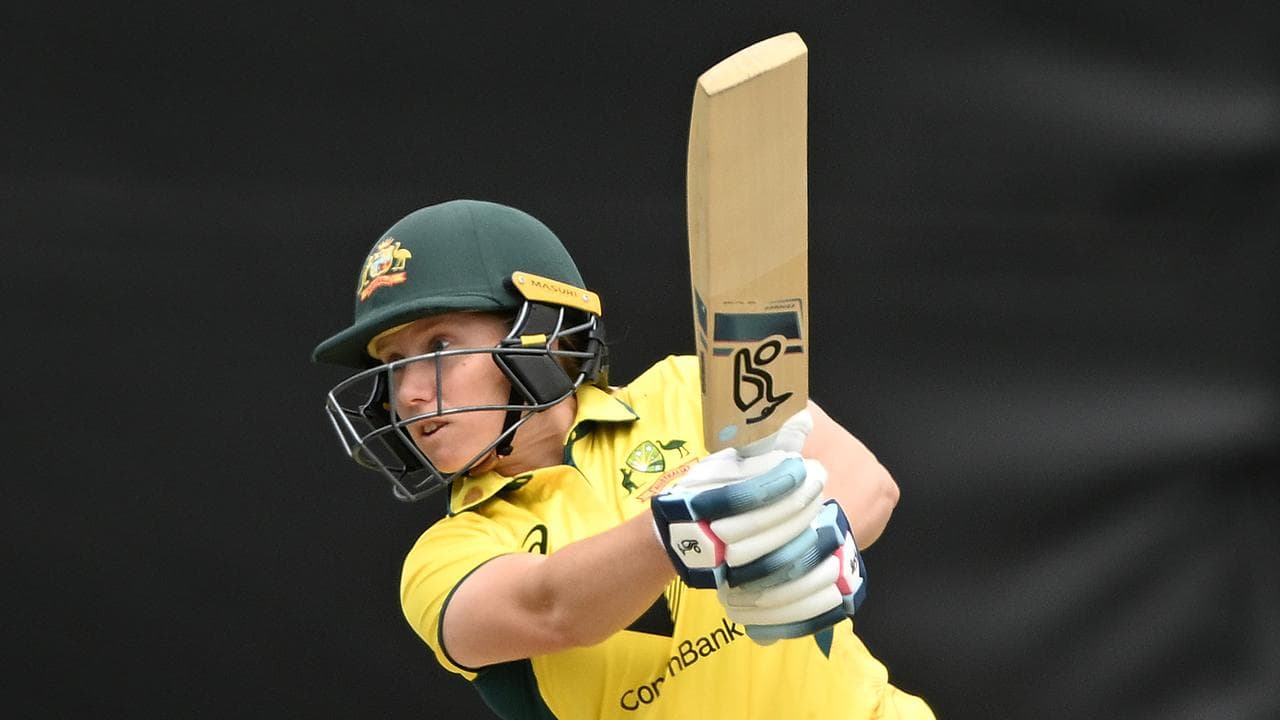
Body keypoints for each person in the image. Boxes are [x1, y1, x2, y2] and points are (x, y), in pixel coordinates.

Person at [312, 199, 934, 719]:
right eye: (392, 364)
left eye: (439, 346)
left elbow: (868, 483)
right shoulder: (443, 559)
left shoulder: (687, 390)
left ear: (539, 332)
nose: (408, 393)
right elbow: (551, 610)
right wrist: (682, 527)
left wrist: (811, 549)